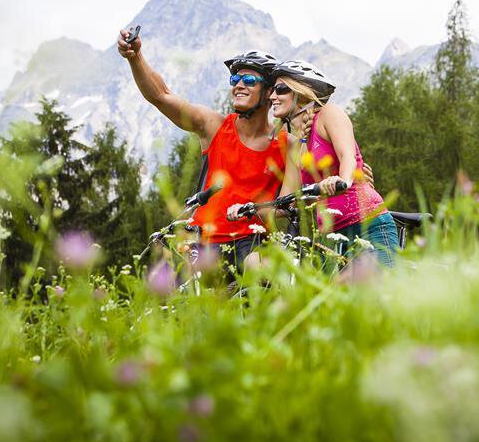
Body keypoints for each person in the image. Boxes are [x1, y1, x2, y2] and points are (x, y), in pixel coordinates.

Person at [117, 28, 285, 273]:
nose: (239, 85)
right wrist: (135, 57)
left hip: (254, 244)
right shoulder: (214, 126)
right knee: (191, 284)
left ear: (270, 92)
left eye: (249, 80)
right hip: (206, 242)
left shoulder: (287, 143)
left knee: (268, 273)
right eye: (234, 80)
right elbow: (161, 96)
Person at [268, 60, 398, 268]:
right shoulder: (296, 147)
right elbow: (285, 203)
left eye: (280, 89)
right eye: (272, 91)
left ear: (301, 93)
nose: (272, 96)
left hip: (367, 225)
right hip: (330, 238)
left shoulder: (328, 114)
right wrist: (246, 208)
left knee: (372, 288)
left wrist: (341, 180)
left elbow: (348, 156)